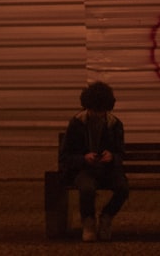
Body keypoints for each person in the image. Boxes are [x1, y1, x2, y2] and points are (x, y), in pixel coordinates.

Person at [58, 81, 129, 242]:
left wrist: (112, 157)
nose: (97, 114)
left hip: (108, 169)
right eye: (93, 110)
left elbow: (120, 153)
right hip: (85, 169)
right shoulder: (77, 124)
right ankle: (88, 222)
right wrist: (83, 158)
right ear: (87, 107)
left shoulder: (115, 124)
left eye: (101, 111)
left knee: (123, 188)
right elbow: (65, 156)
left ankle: (106, 217)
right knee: (87, 188)